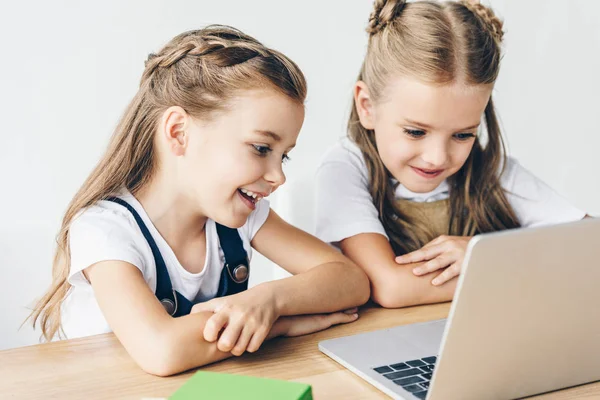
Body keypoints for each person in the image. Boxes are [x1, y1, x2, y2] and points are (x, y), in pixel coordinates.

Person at [29, 26, 370, 376]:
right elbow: (162, 350)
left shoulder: (239, 214)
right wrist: (276, 325)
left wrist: (268, 301)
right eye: (261, 149)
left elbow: (350, 279)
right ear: (179, 132)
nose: (278, 176)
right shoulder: (104, 230)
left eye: (283, 157)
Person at [315, 0, 588, 309]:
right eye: (416, 132)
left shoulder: (491, 170)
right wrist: (497, 265)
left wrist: (487, 253)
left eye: (463, 134)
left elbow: (590, 245)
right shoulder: (346, 168)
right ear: (367, 107)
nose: (437, 158)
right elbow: (391, 287)